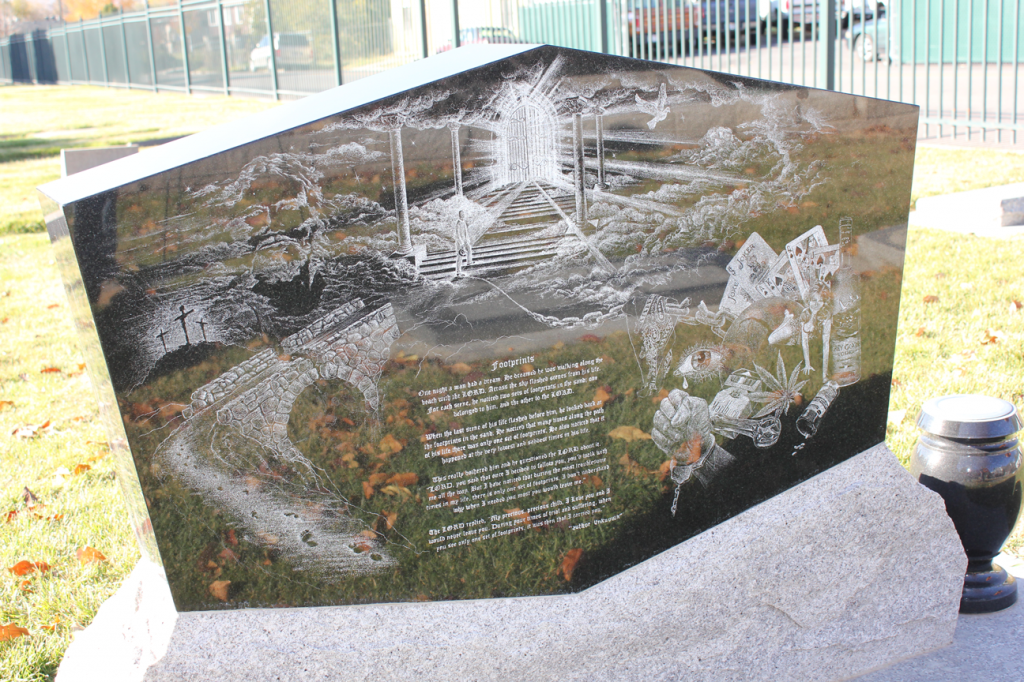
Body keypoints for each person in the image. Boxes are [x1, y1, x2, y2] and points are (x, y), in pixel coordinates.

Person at [453, 210, 472, 278]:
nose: (462, 215)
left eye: (463, 214)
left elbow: (466, 232)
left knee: (469, 248)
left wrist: (467, 240)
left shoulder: (463, 222)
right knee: (460, 256)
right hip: (459, 242)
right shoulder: (458, 223)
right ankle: (458, 272)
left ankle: (469, 261)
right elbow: (458, 235)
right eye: (461, 214)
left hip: (465, 240)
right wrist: (461, 243)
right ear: (459, 215)